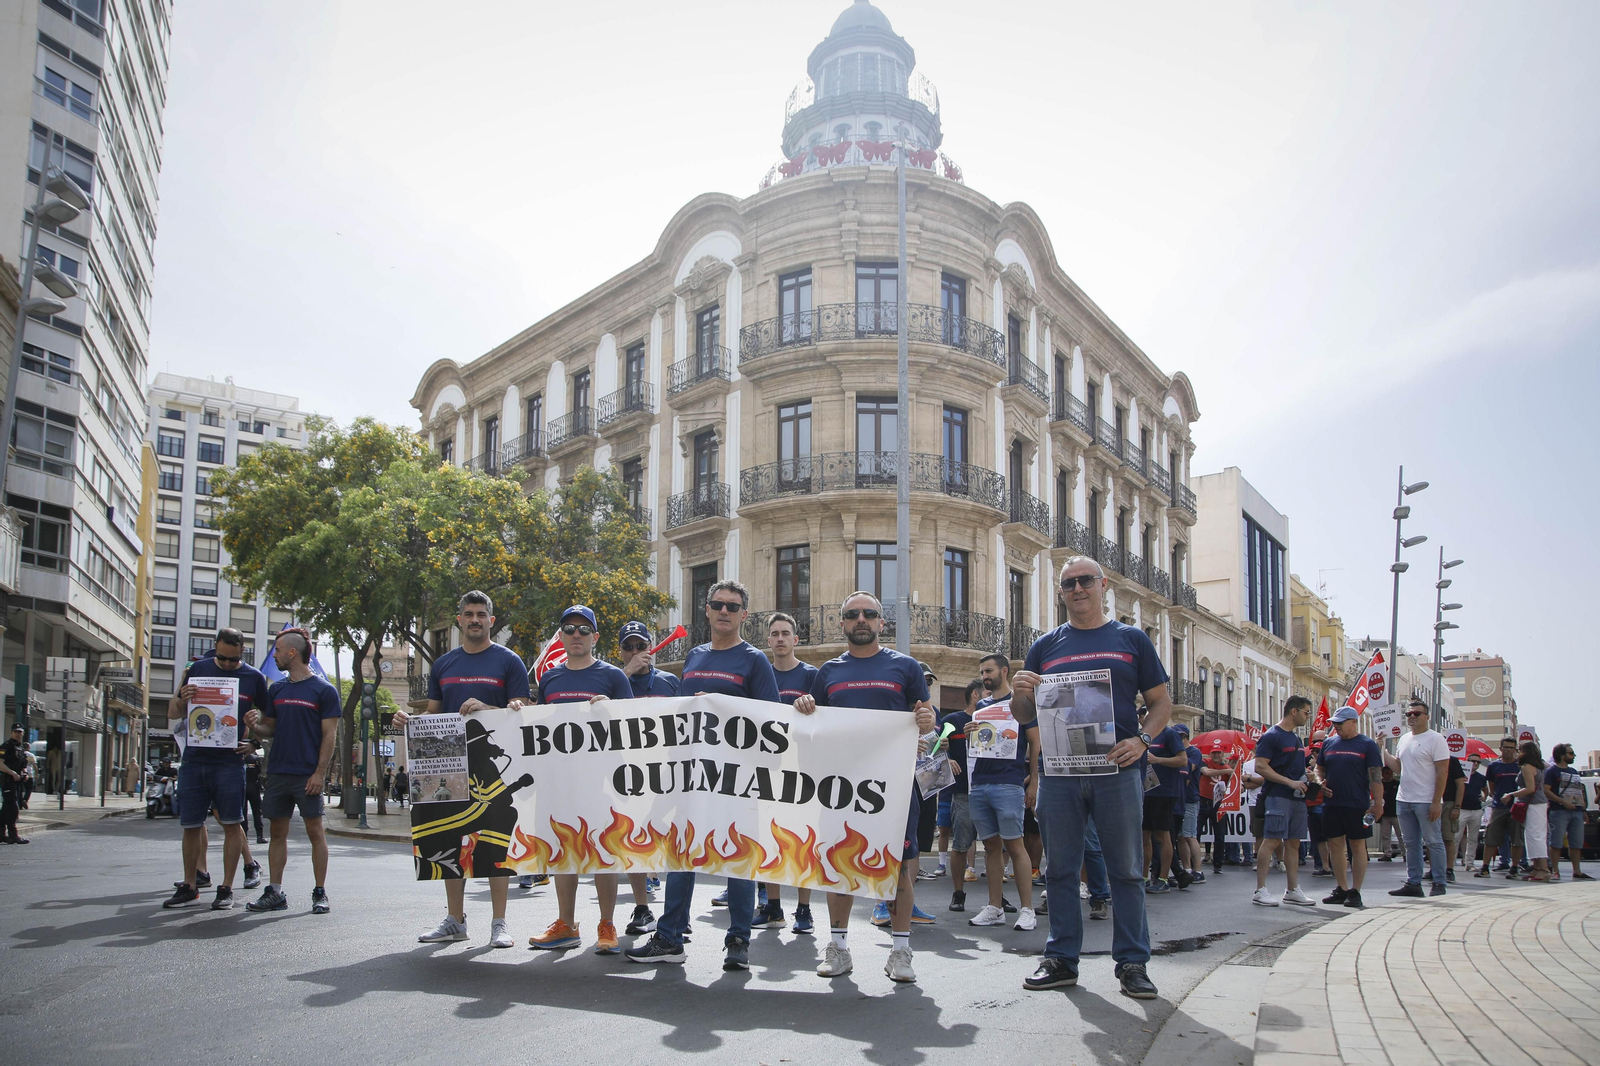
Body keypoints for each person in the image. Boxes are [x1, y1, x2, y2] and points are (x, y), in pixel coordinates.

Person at [1010, 556, 1167, 1000]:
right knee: (1059, 870)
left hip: (1117, 769)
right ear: (1061, 593)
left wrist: (1141, 741)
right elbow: (1027, 716)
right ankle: (1060, 959)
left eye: (1085, 581)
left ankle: (1133, 963)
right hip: (1060, 773)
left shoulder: (1131, 639)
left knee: (1127, 870)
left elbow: (1160, 704)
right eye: (1068, 584)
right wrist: (1021, 695)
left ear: (1103, 586)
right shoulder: (1045, 646)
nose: (1077, 589)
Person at [625, 579, 787, 970]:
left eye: (733, 606)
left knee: (738, 859)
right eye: (718, 605)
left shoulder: (754, 660)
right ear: (708, 610)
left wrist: (718, 706)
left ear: (744, 615)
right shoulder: (694, 657)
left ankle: (738, 941)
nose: (724, 611)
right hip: (692, 777)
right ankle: (669, 938)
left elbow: (770, 721)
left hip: (737, 779)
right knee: (681, 854)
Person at [790, 590, 936, 983]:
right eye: (852, 614)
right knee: (839, 864)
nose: (861, 620)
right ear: (842, 623)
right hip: (841, 787)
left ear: (880, 622)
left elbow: (926, 714)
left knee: (900, 866)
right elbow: (813, 720)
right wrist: (804, 705)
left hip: (894, 786)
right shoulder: (828, 673)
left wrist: (926, 720)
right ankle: (838, 947)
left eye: (868, 614)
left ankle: (901, 952)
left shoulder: (905, 667)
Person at [392, 591, 532, 947]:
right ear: (459, 620)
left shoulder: (509, 661)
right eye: (468, 613)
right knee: (448, 841)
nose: (474, 619)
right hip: (449, 766)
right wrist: (410, 722)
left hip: (489, 767)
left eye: (481, 614)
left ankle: (499, 923)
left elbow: (523, 711)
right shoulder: (444, 664)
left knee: (496, 836)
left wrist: (487, 707)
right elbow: (433, 715)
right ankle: (456, 920)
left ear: (491, 620)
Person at [527, 605, 637, 954]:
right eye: (569, 629)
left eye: (583, 629)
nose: (576, 635)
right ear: (560, 636)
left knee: (604, 853)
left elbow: (634, 729)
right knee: (563, 852)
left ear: (595, 637)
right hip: (560, 783)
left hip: (602, 783)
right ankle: (566, 924)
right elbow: (539, 730)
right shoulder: (550, 679)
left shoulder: (614, 677)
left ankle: (606, 924)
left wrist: (612, 710)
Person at [163, 629, 271, 911]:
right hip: (194, 759)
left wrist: (254, 741)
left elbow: (271, 720)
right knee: (191, 825)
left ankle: (226, 888)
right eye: (222, 658)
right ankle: (190, 886)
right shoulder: (196, 669)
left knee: (233, 824)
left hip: (229, 762)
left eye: (233, 660)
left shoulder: (254, 678)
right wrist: (183, 698)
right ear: (215, 648)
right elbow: (173, 712)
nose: (226, 664)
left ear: (242, 653)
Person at [244, 628, 340, 914]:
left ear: (292, 652)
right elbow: (268, 729)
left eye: (277, 650)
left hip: (307, 775)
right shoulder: (277, 689)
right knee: (277, 832)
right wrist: (253, 726)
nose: (274, 655)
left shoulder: (324, 690)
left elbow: (329, 736)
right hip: (277, 773)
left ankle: (320, 892)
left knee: (315, 832)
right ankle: (275, 892)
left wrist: (319, 774)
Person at [964, 652, 1039, 931]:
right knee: (991, 847)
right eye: (982, 672)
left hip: (1009, 782)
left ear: (1004, 671)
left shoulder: (1021, 704)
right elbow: (979, 742)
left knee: (1015, 845)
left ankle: (1027, 909)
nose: (985, 676)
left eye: (989, 671)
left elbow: (1035, 742)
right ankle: (995, 907)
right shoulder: (981, 705)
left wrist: (1034, 781)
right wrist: (969, 730)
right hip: (979, 782)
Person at [760, 611, 817, 934]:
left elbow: (827, 718)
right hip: (767, 771)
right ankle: (773, 906)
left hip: (804, 772)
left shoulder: (812, 676)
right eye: (775, 634)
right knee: (769, 840)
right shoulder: (761, 674)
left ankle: (804, 909)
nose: (780, 638)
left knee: (801, 843)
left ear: (796, 640)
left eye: (786, 633)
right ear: (768, 641)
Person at [1250, 696, 1316, 908]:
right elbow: (1261, 766)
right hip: (1278, 796)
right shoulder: (1271, 736)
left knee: (1294, 842)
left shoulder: (1295, 739)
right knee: (1272, 840)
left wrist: (1306, 776)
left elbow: (1290, 769)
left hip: (1296, 797)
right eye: (1306, 712)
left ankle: (1292, 889)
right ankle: (1260, 889)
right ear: (1294, 711)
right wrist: (1289, 782)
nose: (1308, 717)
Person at [1316, 706, 1383, 908]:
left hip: (1357, 804)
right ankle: (1342, 888)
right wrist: (1320, 783)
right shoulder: (1328, 743)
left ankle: (1355, 891)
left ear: (1353, 722)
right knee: (1335, 846)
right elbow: (1319, 769)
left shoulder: (1367, 745)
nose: (1336, 727)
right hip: (1332, 804)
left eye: (1340, 723)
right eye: (1334, 723)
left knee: (1357, 846)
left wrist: (1378, 803)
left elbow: (1376, 776)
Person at [1384, 698, 1449, 898]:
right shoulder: (1404, 739)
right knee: (1411, 843)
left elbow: (1442, 772)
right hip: (1404, 799)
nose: (1412, 717)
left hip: (1426, 800)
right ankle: (1414, 882)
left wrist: (1436, 801)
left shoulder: (1436, 739)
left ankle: (1439, 883)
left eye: (1417, 714)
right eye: (1409, 714)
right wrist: (1382, 751)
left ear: (1426, 717)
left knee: (1434, 841)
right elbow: (1399, 768)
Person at [941, 680, 981, 911]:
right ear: (975, 695)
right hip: (964, 793)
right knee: (960, 845)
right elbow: (934, 749)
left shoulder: (998, 721)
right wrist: (948, 758)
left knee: (996, 846)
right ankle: (958, 894)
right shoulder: (951, 721)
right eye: (987, 692)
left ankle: (995, 900)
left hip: (991, 788)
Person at [1141, 713, 1190, 894]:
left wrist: (1157, 760)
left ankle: (1163, 879)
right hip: (1146, 792)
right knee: (1143, 836)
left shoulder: (1169, 734)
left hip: (1164, 793)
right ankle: (1144, 877)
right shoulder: (1143, 736)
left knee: (1163, 836)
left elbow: (1183, 760)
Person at [1476, 737, 1525, 878]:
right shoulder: (1493, 766)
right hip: (1498, 807)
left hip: (1517, 807)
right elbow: (1492, 788)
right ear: (1501, 748)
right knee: (1491, 838)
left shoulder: (1520, 766)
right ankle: (1485, 868)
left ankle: (1514, 868)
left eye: (1511, 748)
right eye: (1506, 747)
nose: (1509, 750)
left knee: (1517, 839)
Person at [1505, 740, 1551, 883]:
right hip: (1540, 803)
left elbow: (1530, 788)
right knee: (1536, 835)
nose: (1517, 752)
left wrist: (1511, 795)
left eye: (1519, 750)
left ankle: (1543, 869)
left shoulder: (1526, 767)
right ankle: (1537, 868)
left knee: (1534, 836)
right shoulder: (1541, 766)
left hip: (1532, 804)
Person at [1544, 744, 1591, 881]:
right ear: (1561, 755)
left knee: (1576, 842)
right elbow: (1546, 790)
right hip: (1558, 811)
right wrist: (1563, 802)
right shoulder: (1551, 771)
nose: (1574, 756)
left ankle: (1577, 870)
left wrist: (1583, 809)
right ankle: (1555, 870)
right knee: (1556, 842)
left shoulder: (1574, 771)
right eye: (1571, 753)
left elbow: (1578, 792)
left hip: (1576, 811)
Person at [1198, 742, 1233, 873]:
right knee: (1196, 833)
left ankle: (1217, 864)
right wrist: (1226, 771)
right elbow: (1206, 772)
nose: (1216, 755)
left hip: (1218, 803)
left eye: (1218, 753)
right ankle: (1193, 864)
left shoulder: (1227, 766)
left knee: (1219, 835)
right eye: (1214, 753)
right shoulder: (1204, 762)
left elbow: (1234, 784)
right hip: (1202, 801)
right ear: (1210, 754)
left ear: (1223, 754)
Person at [1177, 729, 1204, 883]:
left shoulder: (1194, 752)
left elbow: (1188, 768)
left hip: (1190, 798)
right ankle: (1187, 868)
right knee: (1181, 836)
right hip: (1179, 798)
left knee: (1190, 835)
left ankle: (1198, 870)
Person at [1437, 752, 1465, 883]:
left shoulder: (1452, 761)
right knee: (1432, 839)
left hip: (1448, 802)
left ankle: (1449, 869)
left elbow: (1460, 784)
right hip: (1431, 801)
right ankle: (1434, 869)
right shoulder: (1429, 759)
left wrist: (1457, 807)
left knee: (1448, 838)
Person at [1, 723, 28, 845]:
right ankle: (13, 835)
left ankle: (1, 834)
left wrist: (24, 773)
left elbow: (23, 765)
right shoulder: (6, 746)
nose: (18, 734)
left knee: (6, 809)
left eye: (20, 732)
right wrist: (12, 773)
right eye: (16, 732)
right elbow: (0, 764)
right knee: (12, 808)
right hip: (8, 781)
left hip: (17, 782)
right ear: (11, 733)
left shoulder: (21, 748)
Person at [1375, 767, 1402, 860]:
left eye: (1389, 774)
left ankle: (1406, 853)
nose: (1387, 776)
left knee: (1401, 835)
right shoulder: (1380, 784)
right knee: (1385, 835)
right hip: (1385, 813)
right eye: (1385, 774)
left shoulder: (1397, 784)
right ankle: (1387, 853)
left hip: (1396, 813)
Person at [243, 745, 266, 843]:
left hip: (242, 786)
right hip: (254, 786)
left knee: (243, 813)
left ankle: (244, 836)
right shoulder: (255, 759)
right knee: (257, 812)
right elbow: (260, 772)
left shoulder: (240, 759)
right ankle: (259, 836)